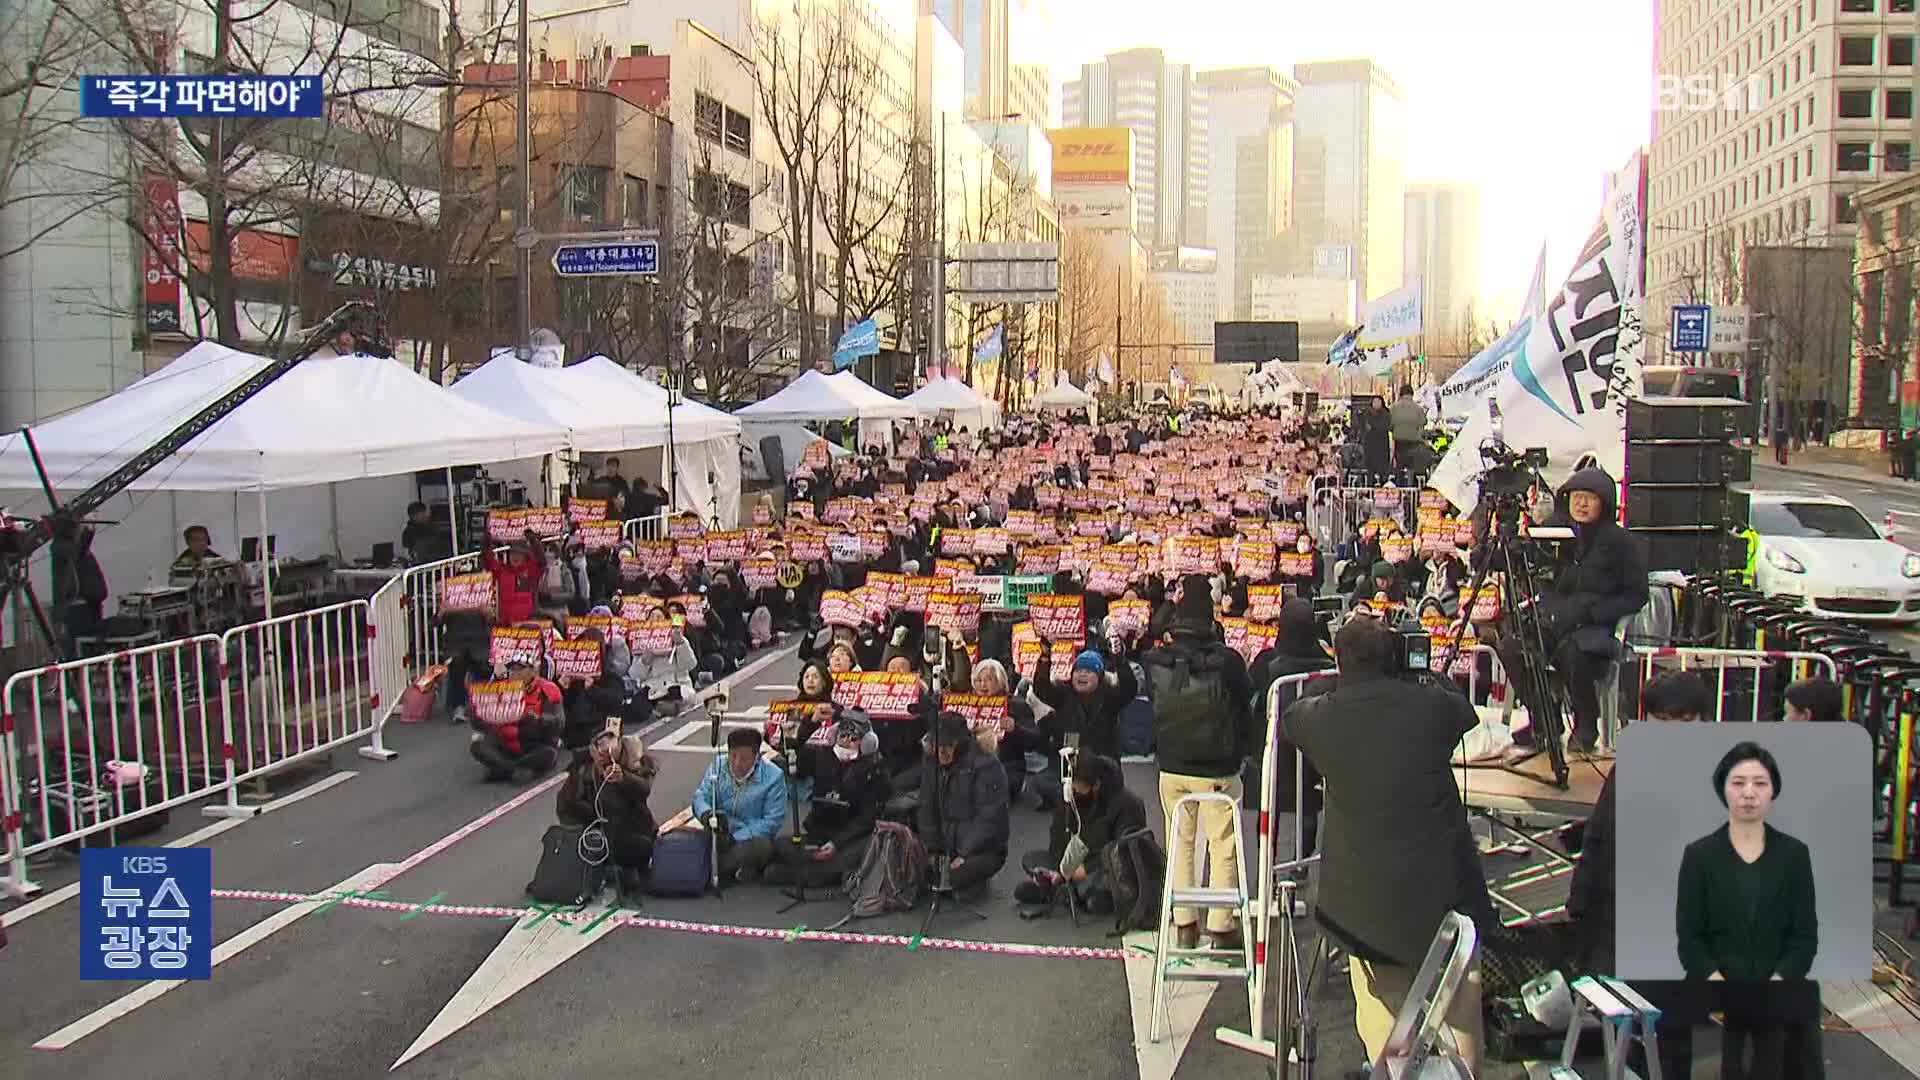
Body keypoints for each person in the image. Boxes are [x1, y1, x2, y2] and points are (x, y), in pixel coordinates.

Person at [1281, 618, 1493, 1076]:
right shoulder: (1431, 707)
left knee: (1382, 1013)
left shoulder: (1325, 717)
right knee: (1457, 1009)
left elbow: (1291, 718)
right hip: (1444, 894)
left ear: (1340, 661)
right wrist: (1421, 676)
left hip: (1364, 909)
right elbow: (1465, 713)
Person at [1565, 670, 1709, 1079]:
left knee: (1671, 1041)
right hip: (1621, 923)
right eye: (1661, 721)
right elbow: (1600, 831)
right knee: (1626, 1031)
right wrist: (1582, 898)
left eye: (1680, 722)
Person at [1676, 741, 1820, 1080]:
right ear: (1723, 790)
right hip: (1719, 990)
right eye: (1738, 783)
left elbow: (1805, 936)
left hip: (1778, 988)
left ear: (1773, 792)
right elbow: (1690, 936)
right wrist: (1718, 984)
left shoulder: (1795, 854)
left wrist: (1778, 980)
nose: (1749, 794)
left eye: (1760, 783)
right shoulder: (1699, 856)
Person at [1141, 573, 1254, 950]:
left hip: (1171, 764)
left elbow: (1152, 636)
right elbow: (1244, 700)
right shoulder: (1228, 662)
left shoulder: (1156, 659)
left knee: (1180, 841)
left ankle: (1184, 922)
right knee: (1223, 843)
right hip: (1218, 765)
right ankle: (1221, 925)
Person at [1504, 467, 1648, 756]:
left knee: (1575, 653)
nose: (1581, 504)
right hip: (1553, 618)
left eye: (1589, 498)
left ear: (1604, 503)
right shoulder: (1553, 532)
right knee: (1513, 644)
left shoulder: (1621, 543)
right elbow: (1534, 575)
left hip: (1594, 626)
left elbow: (1636, 595)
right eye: (1576, 497)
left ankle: (1586, 725)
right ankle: (1546, 721)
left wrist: (1596, 612)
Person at [1014, 752, 1147, 916]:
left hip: (1107, 866)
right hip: (1076, 860)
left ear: (1095, 785)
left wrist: (1087, 868)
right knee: (1031, 859)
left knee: (1098, 895)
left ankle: (1066, 891)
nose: (1074, 791)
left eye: (1078, 788)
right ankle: (1066, 888)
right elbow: (1058, 834)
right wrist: (1058, 867)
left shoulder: (1127, 804)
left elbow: (1123, 851)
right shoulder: (1071, 797)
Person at [769, 711, 893, 888]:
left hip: (852, 837)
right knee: (781, 844)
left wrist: (836, 843)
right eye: (842, 736)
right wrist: (809, 724)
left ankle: (807, 871)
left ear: (866, 743)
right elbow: (796, 758)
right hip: (821, 831)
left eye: (853, 738)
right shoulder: (823, 756)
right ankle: (811, 862)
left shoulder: (876, 770)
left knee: (826, 869)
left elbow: (867, 819)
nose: (845, 741)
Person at [556, 730, 659, 898]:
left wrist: (623, 779)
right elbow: (566, 809)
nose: (605, 749)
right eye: (599, 744)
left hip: (630, 833)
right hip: (596, 835)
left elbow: (644, 790)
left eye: (610, 742)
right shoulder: (584, 771)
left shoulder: (633, 763)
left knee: (641, 848)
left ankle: (623, 869)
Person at [919, 711, 1011, 898]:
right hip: (944, 840)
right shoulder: (931, 763)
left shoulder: (986, 765)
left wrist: (965, 853)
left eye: (948, 746)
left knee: (957, 877)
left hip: (979, 847)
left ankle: (970, 880)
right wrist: (932, 847)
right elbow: (926, 806)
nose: (942, 752)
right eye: (938, 745)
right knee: (917, 871)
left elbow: (990, 819)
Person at [689, 728, 788, 883]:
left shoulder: (774, 776)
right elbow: (701, 796)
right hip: (718, 831)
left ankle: (710, 869)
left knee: (763, 847)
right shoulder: (719, 765)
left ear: (757, 757)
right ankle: (728, 869)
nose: (737, 763)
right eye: (733, 756)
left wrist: (735, 838)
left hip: (748, 838)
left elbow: (772, 821)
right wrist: (706, 814)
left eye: (744, 759)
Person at [469, 658, 563, 782]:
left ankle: (501, 769)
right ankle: (513, 769)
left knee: (549, 754)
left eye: (520, 669)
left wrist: (538, 719)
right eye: (512, 669)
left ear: (533, 670)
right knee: (477, 745)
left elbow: (558, 723)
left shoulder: (548, 689)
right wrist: (476, 714)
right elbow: (479, 726)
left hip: (533, 744)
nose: (515, 672)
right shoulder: (496, 688)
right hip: (505, 745)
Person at [484, 529, 547, 626]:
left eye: (519, 554)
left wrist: (534, 541)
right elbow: (488, 562)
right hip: (506, 624)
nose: (515, 557)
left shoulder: (530, 570)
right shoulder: (503, 570)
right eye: (513, 554)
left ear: (525, 556)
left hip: (527, 625)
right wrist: (487, 544)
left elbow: (541, 562)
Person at [1389, 384, 1427, 475]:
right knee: (1412, 466)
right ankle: (1411, 482)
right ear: (1412, 394)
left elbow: (1390, 425)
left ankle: (1400, 483)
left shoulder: (1393, 408)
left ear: (1400, 394)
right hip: (1414, 442)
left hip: (1399, 441)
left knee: (1399, 466)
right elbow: (1423, 422)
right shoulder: (1418, 408)